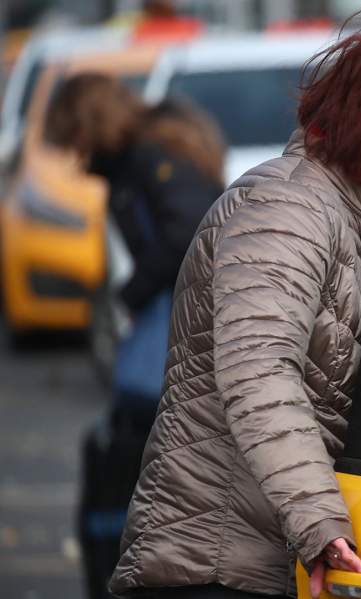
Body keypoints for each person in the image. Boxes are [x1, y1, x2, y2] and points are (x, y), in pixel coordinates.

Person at [106, 9, 361, 599]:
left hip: (262, 560)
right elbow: (259, 372)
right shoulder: (286, 209)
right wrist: (320, 524)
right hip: (213, 563)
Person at [44, 74, 227, 599]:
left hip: (174, 325)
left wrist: (130, 296)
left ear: (91, 123)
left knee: (135, 444)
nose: (74, 152)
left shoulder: (148, 157)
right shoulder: (153, 149)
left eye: (74, 136)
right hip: (178, 324)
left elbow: (186, 232)